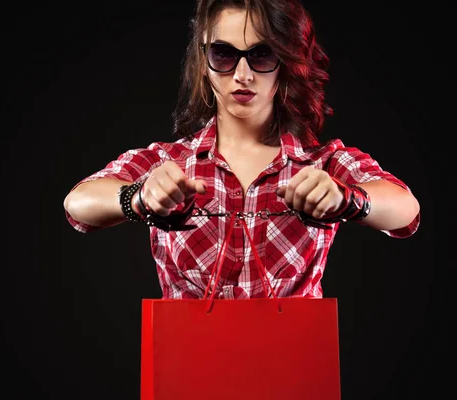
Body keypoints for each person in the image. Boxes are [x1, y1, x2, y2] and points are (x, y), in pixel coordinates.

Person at [63, 0, 420, 299]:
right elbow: (78, 205)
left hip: (293, 374)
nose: (243, 74)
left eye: (262, 55)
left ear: (287, 63)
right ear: (204, 62)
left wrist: (348, 200)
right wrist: (139, 199)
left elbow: (406, 212)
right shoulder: (169, 163)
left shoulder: (321, 165)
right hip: (188, 372)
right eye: (224, 54)